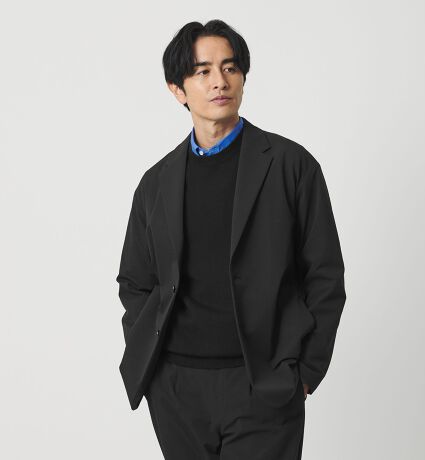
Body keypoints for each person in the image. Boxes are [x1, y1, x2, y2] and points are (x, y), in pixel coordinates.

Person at [115, 19, 346, 460]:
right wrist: (157, 370)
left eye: (230, 67)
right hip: (177, 387)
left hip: (264, 383)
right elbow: (135, 281)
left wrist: (305, 370)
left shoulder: (291, 166)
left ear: (242, 76)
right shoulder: (156, 182)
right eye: (202, 71)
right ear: (178, 90)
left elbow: (325, 274)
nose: (219, 81)